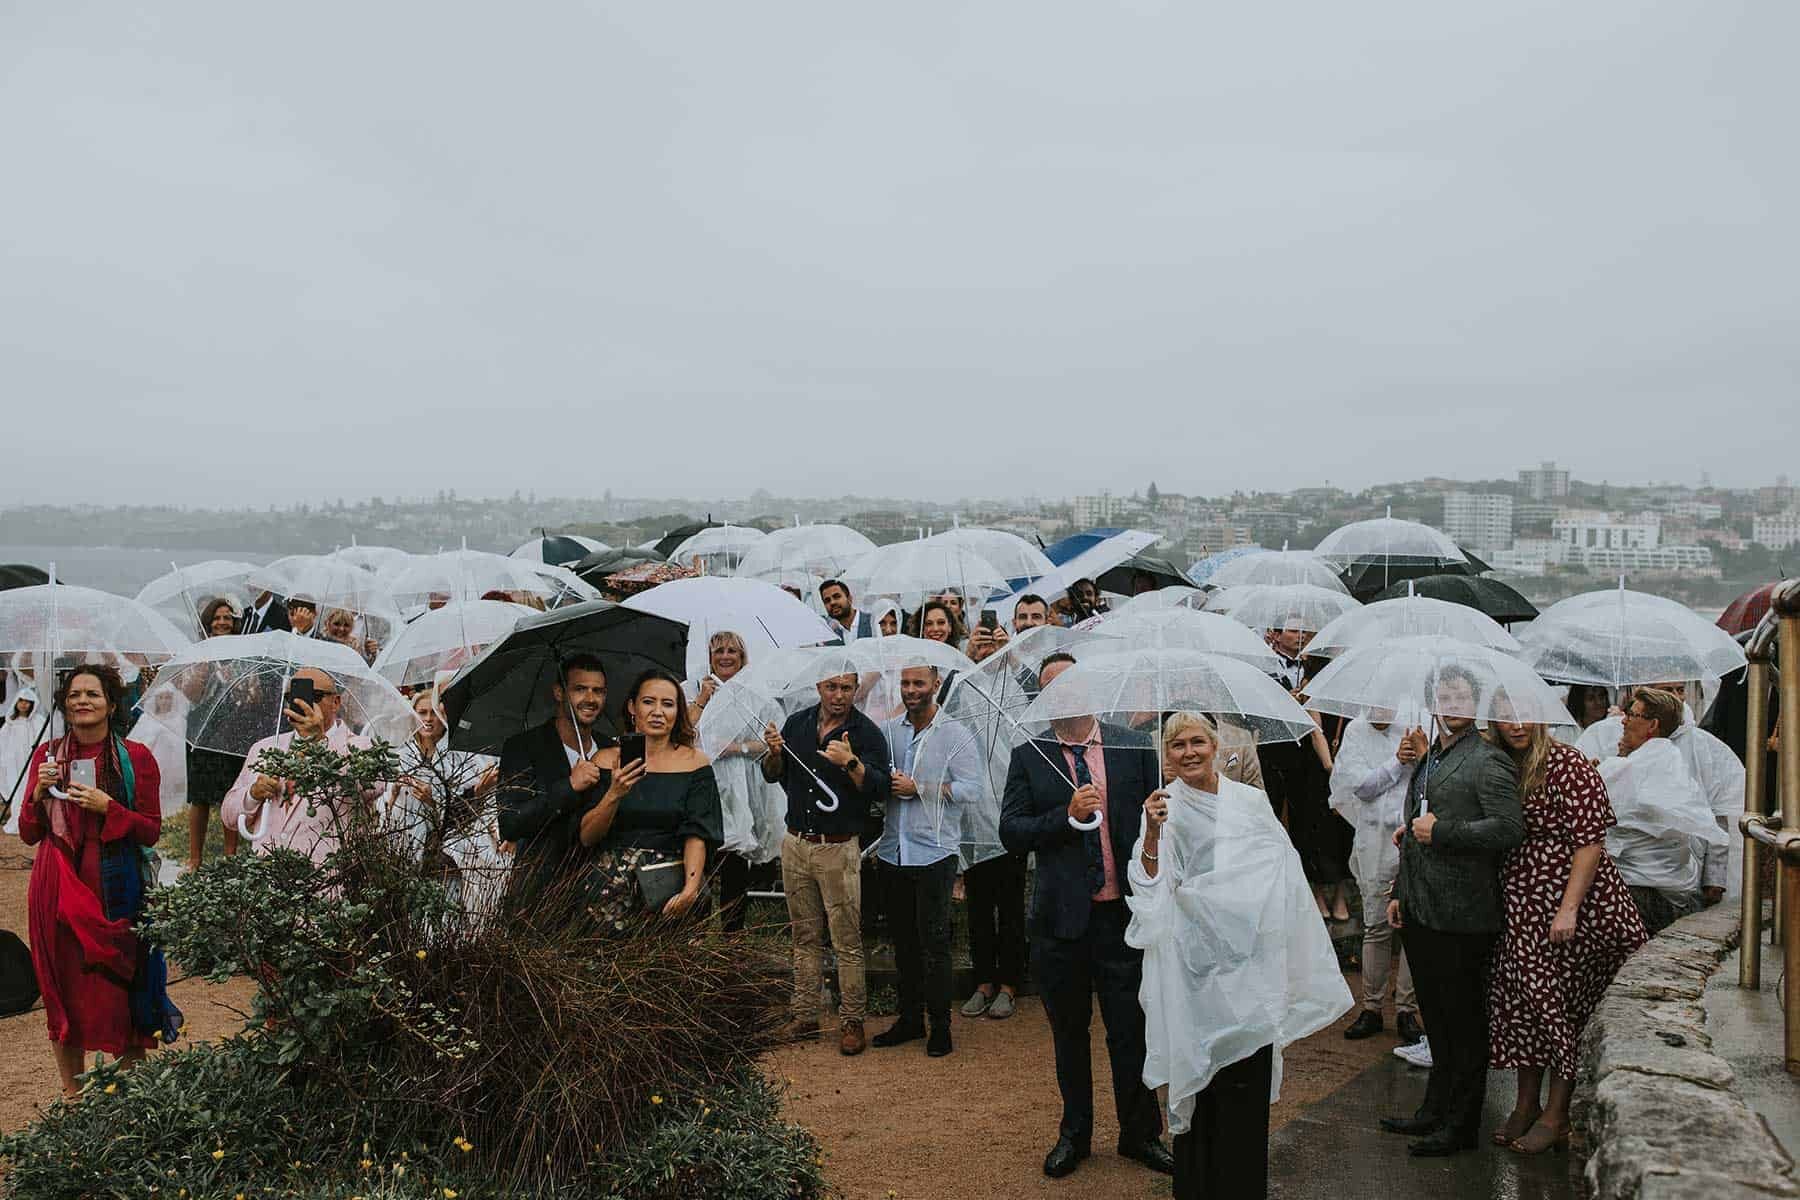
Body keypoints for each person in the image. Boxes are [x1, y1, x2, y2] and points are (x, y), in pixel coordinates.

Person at [1128, 713, 1351, 1198]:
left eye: (1197, 742)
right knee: (1199, 1086)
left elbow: (1281, 870)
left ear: (1215, 744)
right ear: (1166, 755)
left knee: (1244, 1093)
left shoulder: (1250, 802)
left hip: (1249, 968)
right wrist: (1150, 834)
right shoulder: (1163, 808)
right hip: (1194, 975)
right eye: (1177, 745)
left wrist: (1228, 901)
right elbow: (1147, 891)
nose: (1188, 752)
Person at [999, 651, 1174, 1180]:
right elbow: (1011, 833)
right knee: (1069, 1033)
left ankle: (1140, 1134)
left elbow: (1159, 821)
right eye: (1051, 688)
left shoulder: (1132, 744)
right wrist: (1064, 816)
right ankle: (1075, 1135)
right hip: (1061, 923)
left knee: (1131, 1030)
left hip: (1124, 915)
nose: (1063, 695)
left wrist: (1159, 818)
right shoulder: (1030, 755)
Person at [1379, 666, 1524, 1156]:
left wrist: (1443, 832)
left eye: (1462, 693)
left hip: (1464, 914)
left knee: (1463, 1024)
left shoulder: (1488, 760)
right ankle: (1432, 1111)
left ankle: (1461, 1126)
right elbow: (1412, 827)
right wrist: (1400, 890)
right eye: (1444, 693)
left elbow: (1507, 829)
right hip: (1421, 907)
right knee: (1436, 1020)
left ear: (1475, 701)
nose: (1453, 700)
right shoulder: (1430, 756)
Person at [1486, 716, 1647, 1155]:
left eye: (1524, 714)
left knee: (1563, 1005)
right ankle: (1524, 1104)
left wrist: (1568, 909)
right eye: (1505, 714)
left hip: (1574, 901)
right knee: (1524, 1003)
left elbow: (1590, 841)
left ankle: (1556, 1113)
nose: (1516, 725)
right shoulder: (1501, 763)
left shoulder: (1569, 763)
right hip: (1521, 900)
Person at [18, 664, 175, 1098]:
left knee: (119, 991)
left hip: (113, 888)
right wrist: (36, 794)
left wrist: (110, 808)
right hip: (57, 887)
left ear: (110, 703)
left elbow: (150, 829)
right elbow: (30, 832)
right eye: (73, 695)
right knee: (62, 992)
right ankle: (73, 1098)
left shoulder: (136, 757)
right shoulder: (47, 757)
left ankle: (132, 1103)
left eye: (92, 694)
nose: (82, 701)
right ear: (64, 705)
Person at [763, 672, 891, 1056]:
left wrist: (850, 761)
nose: (838, 695)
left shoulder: (867, 733)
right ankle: (804, 1015)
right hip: (796, 843)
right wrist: (772, 754)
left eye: (847, 688)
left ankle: (852, 1019)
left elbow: (880, 788)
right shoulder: (797, 723)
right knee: (804, 935)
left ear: (856, 690)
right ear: (818, 686)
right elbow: (774, 776)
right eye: (831, 687)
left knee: (846, 938)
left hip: (838, 848)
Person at [873, 664, 976, 1056]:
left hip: (934, 851)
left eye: (918, 683)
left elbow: (972, 789)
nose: (911, 690)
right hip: (892, 851)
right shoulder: (889, 732)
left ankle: (941, 1025)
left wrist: (922, 788)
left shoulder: (954, 734)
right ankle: (910, 1019)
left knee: (934, 943)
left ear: (935, 684)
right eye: (905, 682)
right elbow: (877, 781)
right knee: (903, 941)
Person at [575, 670, 722, 932]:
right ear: (632, 706)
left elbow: (697, 833)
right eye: (648, 702)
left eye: (667, 704)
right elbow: (587, 837)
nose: (657, 711)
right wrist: (615, 793)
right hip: (609, 889)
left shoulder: (695, 763)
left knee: (671, 969)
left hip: (671, 885)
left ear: (678, 712)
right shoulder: (604, 760)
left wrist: (690, 890)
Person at [1329, 717, 1424, 1045]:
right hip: (1374, 839)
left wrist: (1420, 756)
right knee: (1376, 925)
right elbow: (1362, 787)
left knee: (1411, 926)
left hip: (1411, 838)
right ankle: (1371, 1006)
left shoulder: (1415, 722)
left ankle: (1406, 1008)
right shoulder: (1355, 730)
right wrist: (1396, 762)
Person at [1600, 688, 1724, 933]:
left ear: (1652, 725)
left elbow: (1596, 810)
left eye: (1632, 715)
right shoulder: (1673, 764)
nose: (1624, 720)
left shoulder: (1630, 768)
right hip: (1677, 888)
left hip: (1635, 890)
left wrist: (1609, 766)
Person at [221, 667, 373, 863]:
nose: (302, 703)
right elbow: (229, 817)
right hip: (270, 880)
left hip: (330, 882)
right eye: (292, 697)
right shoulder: (265, 748)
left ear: (336, 702)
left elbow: (371, 786)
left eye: (314, 696)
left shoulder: (361, 746)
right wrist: (253, 795)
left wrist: (320, 742)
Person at [690, 631, 785, 930]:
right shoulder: (696, 690)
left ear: (743, 657)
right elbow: (684, 734)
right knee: (702, 855)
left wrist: (733, 748)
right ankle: (697, 930)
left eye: (732, 651)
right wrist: (703, 701)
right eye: (718, 651)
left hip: (743, 785)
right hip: (706, 783)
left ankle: (733, 933)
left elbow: (773, 739)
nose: (725, 657)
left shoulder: (757, 695)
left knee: (735, 859)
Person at [495, 654, 611, 893]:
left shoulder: (611, 749)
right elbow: (510, 823)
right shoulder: (523, 747)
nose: (590, 699)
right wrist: (569, 786)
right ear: (559, 693)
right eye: (580, 689)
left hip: (603, 895)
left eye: (598, 691)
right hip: (541, 895)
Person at [384, 688, 503, 909]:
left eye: (433, 713)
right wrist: (393, 794)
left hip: (450, 855)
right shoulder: (402, 756)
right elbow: (386, 810)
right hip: (410, 849)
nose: (428, 719)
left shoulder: (458, 756)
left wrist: (433, 802)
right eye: (422, 712)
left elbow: (465, 809)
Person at [184, 597, 247, 870]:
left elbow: (251, 695)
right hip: (201, 727)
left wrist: (236, 678)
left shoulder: (244, 653)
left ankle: (230, 856)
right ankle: (195, 858)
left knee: (228, 791)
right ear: (208, 622)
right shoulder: (198, 653)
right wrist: (206, 667)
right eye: (217, 617)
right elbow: (191, 693)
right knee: (199, 796)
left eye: (227, 618)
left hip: (232, 726)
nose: (222, 622)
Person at [1, 688, 40, 834]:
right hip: (13, 763)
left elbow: (42, 742)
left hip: (29, 762)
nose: (24, 705)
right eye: (21, 701)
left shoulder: (37, 721)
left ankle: (30, 822)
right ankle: (17, 820)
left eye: (27, 702)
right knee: (16, 790)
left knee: (28, 790)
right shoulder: (9, 723)